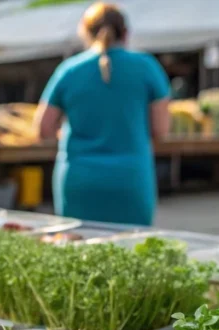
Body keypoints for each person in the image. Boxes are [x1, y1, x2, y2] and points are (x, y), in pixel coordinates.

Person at [34, 2, 170, 226]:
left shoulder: (69, 70)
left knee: (78, 250)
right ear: (126, 33)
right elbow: (161, 129)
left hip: (79, 178)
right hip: (130, 178)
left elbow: (43, 129)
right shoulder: (147, 67)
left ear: (85, 33)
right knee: (132, 252)